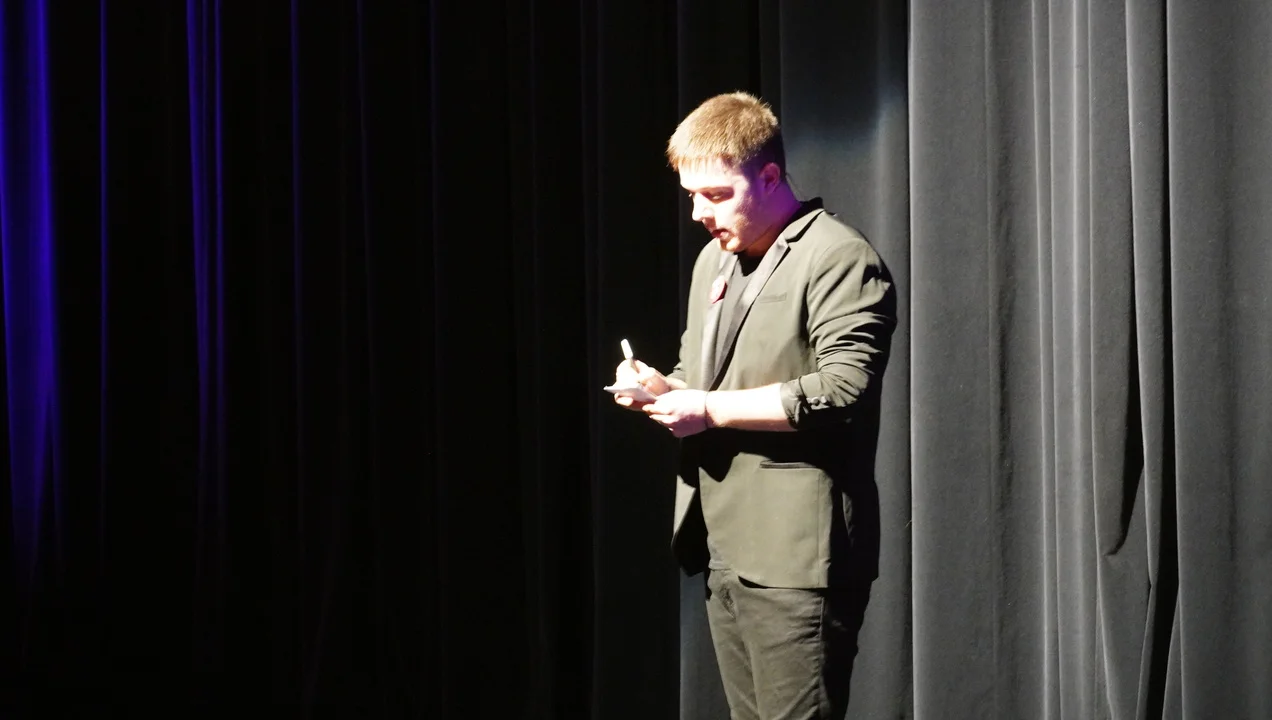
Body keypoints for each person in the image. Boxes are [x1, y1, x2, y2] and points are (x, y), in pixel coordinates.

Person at [612, 92, 897, 719]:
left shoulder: (838, 258)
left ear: (769, 177)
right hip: (725, 547)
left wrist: (709, 410)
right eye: (692, 196)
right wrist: (658, 387)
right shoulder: (714, 260)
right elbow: (701, 376)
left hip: (797, 560)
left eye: (716, 194)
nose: (699, 213)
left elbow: (843, 390)